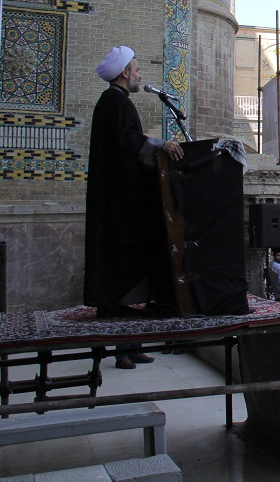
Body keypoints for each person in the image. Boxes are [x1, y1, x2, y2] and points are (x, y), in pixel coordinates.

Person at [84, 47, 184, 369]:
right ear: (125, 72)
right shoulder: (113, 102)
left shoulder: (117, 102)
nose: (141, 75)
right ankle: (122, 349)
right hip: (120, 205)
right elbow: (128, 142)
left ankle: (131, 344)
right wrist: (161, 145)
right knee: (123, 280)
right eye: (137, 69)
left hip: (122, 200)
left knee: (131, 283)